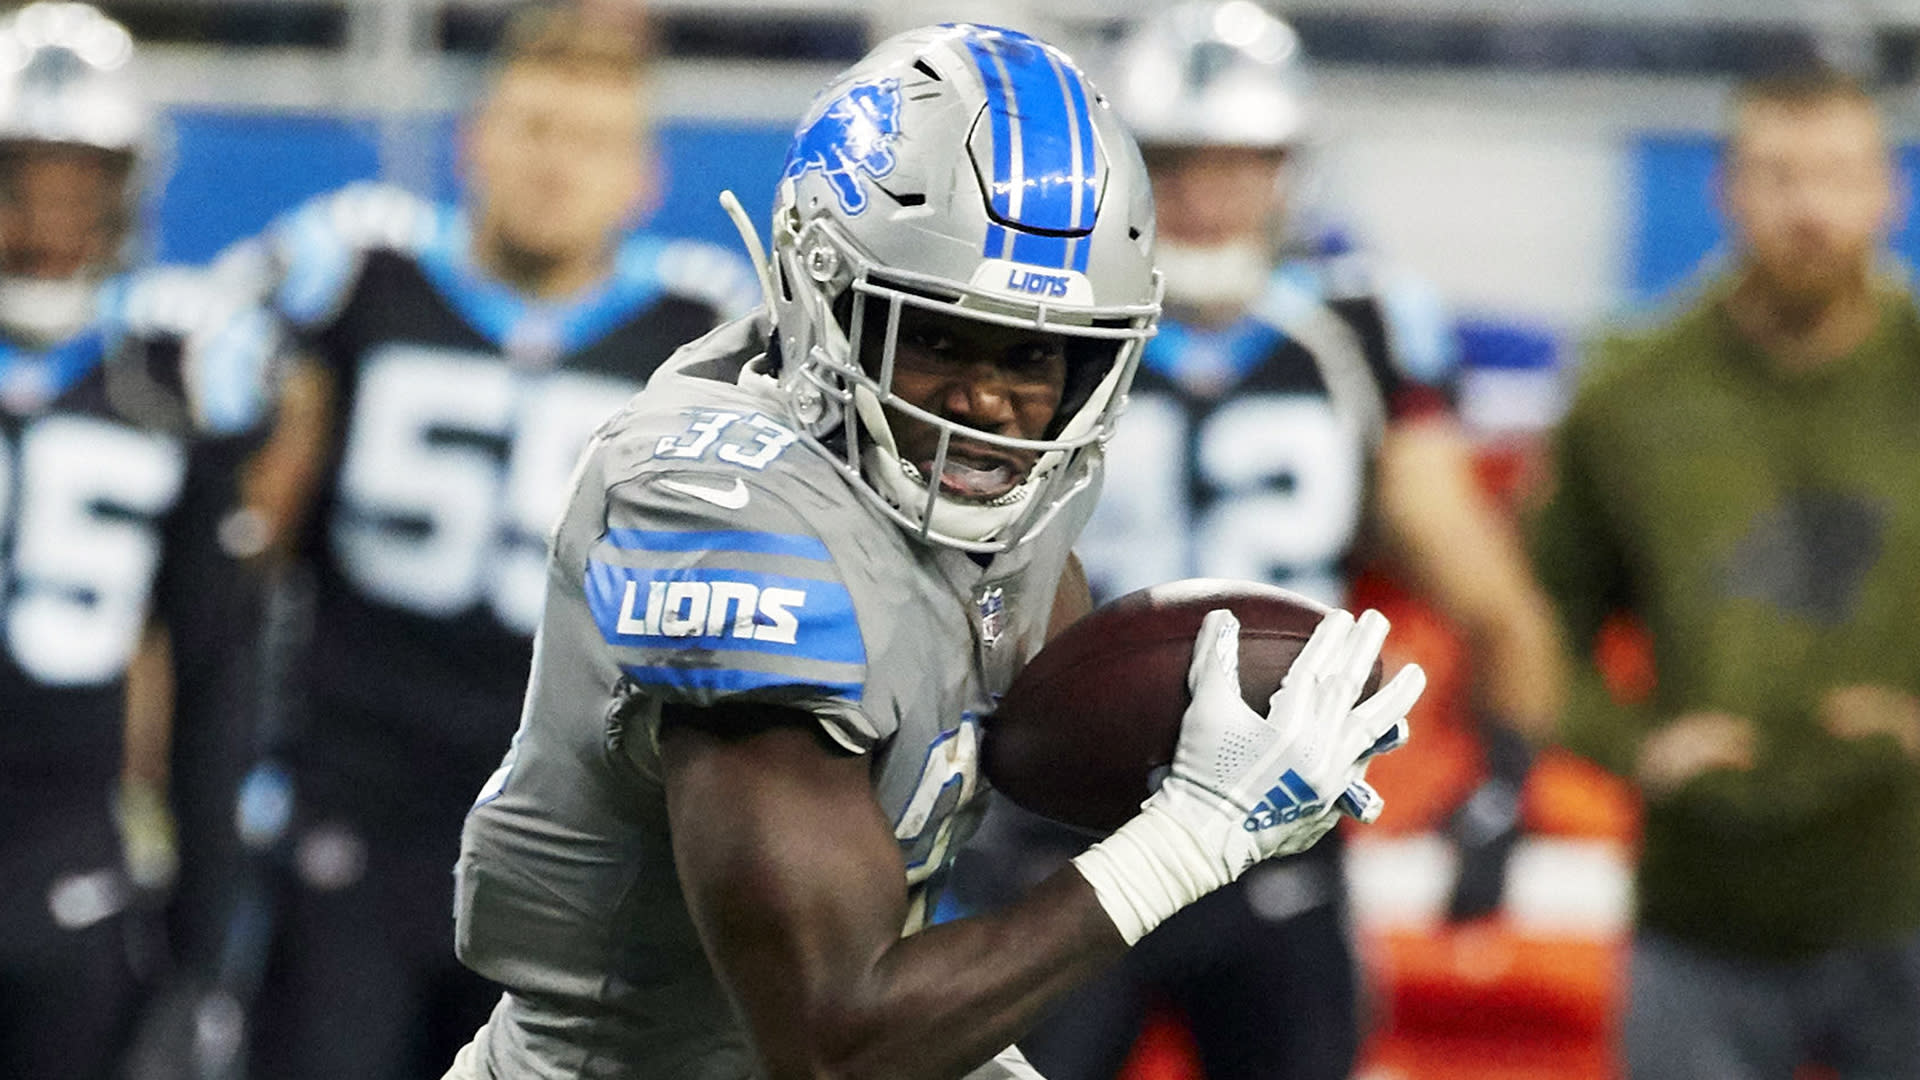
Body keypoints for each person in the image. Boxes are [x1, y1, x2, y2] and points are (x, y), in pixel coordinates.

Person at [443, 21, 1426, 1080]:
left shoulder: (1017, 494)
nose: (988, 404)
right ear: (825, 297)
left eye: (1036, 355)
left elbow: (1043, 746)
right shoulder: (725, 510)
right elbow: (832, 1045)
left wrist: (1227, 759)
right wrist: (1192, 836)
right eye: (939, 337)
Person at [949, 6, 1566, 1079]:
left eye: (1239, 163)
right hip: (1067, 826)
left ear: (1288, 169)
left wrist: (1507, 776)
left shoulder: (1349, 328)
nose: (1205, 196)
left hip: (1282, 826)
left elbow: (1482, 585)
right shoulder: (1046, 323)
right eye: (1178, 163)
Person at [218, 7, 754, 1078]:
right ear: (474, 143)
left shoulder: (704, 339)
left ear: (644, 178)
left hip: (581, 838)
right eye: (534, 130)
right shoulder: (359, 277)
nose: (557, 166)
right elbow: (241, 549)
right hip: (358, 802)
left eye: (592, 141)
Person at [1533, 65, 1920, 1080]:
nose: (1810, 211)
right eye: (1779, 176)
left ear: (1893, 193)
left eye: (1838, 176)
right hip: (1700, 914)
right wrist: (1633, 745)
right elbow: (1538, 623)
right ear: (1726, 191)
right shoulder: (1633, 392)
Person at [0, 4, 278, 1077]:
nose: (47, 220)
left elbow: (215, 680)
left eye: (79, 185)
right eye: (21, 182)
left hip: (72, 870)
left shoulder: (173, 381)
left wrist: (202, 953)